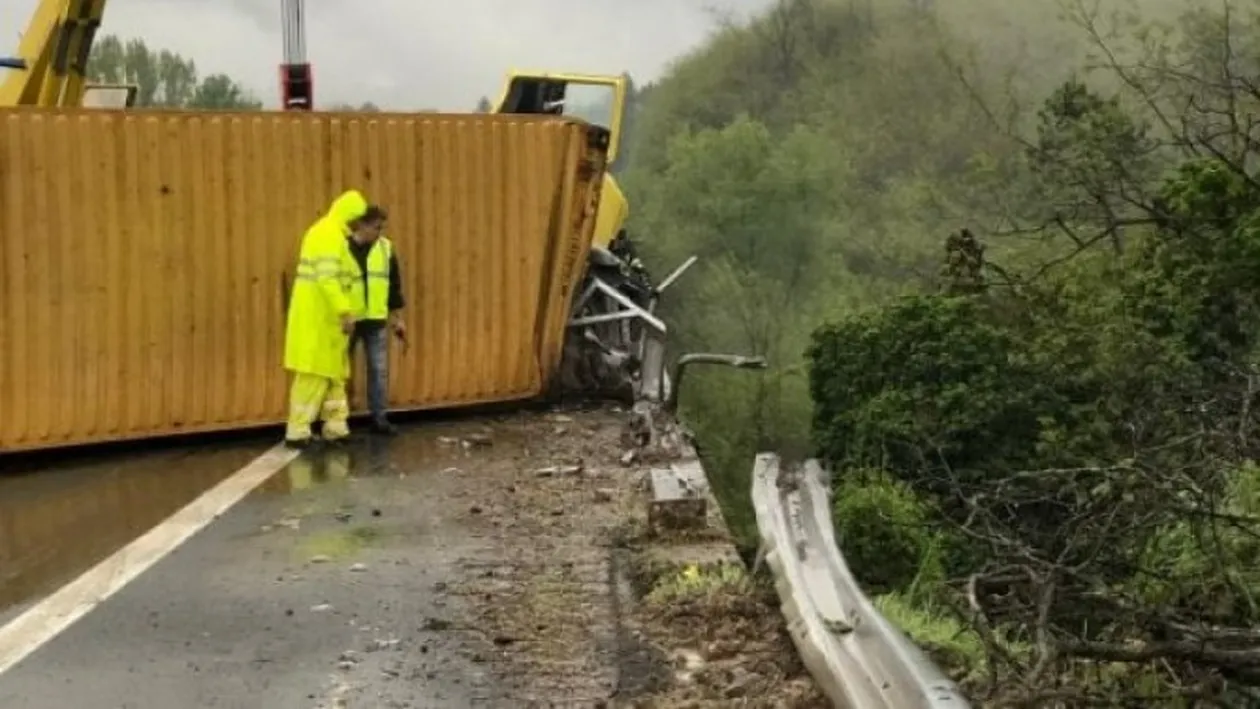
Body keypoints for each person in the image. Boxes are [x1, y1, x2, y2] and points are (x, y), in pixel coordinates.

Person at [283, 190, 373, 448]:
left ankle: (335, 426)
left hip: (328, 321)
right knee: (313, 375)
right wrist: (345, 311)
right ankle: (297, 431)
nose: (358, 225)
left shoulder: (332, 235)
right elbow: (327, 279)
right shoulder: (327, 235)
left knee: (335, 375)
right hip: (319, 319)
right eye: (357, 219)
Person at [344, 206, 405, 435]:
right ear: (362, 225)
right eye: (376, 227)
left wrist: (397, 317)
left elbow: (393, 285)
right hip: (349, 321)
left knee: (378, 371)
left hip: (375, 319)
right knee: (340, 372)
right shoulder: (342, 247)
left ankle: (379, 418)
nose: (380, 232)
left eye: (382, 228)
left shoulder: (385, 248)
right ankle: (337, 422)